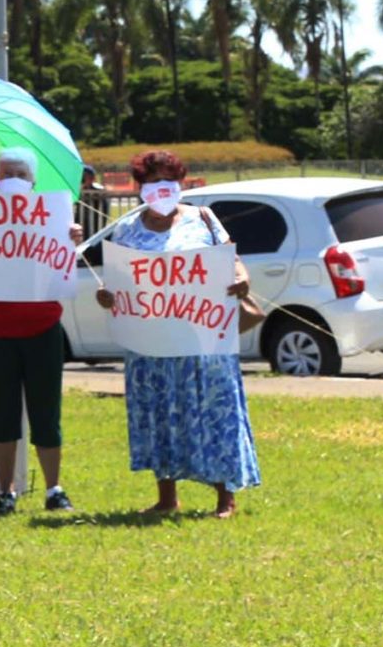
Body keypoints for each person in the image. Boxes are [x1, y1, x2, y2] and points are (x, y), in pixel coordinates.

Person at [94, 149, 260, 519]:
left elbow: (230, 257)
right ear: (140, 188)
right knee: (159, 413)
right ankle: (166, 496)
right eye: (151, 182)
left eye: (168, 181)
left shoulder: (204, 219)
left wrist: (241, 278)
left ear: (181, 184)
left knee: (214, 410)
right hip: (150, 340)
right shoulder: (126, 229)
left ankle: (225, 497)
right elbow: (117, 280)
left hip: (204, 338)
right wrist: (106, 295)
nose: (160, 189)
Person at [0, 149, 81, 515]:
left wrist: (71, 238)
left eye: (20, 172)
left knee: (46, 413)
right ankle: (6, 492)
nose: (13, 178)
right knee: (1, 416)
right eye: (6, 172)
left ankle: (54, 489)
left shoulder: (54, 218)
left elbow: (62, 267)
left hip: (43, 327)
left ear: (33, 181)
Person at [78, 162, 110, 234]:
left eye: (85, 176)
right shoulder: (77, 192)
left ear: (92, 178)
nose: (82, 179)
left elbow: (103, 213)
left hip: (95, 229)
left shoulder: (99, 192)